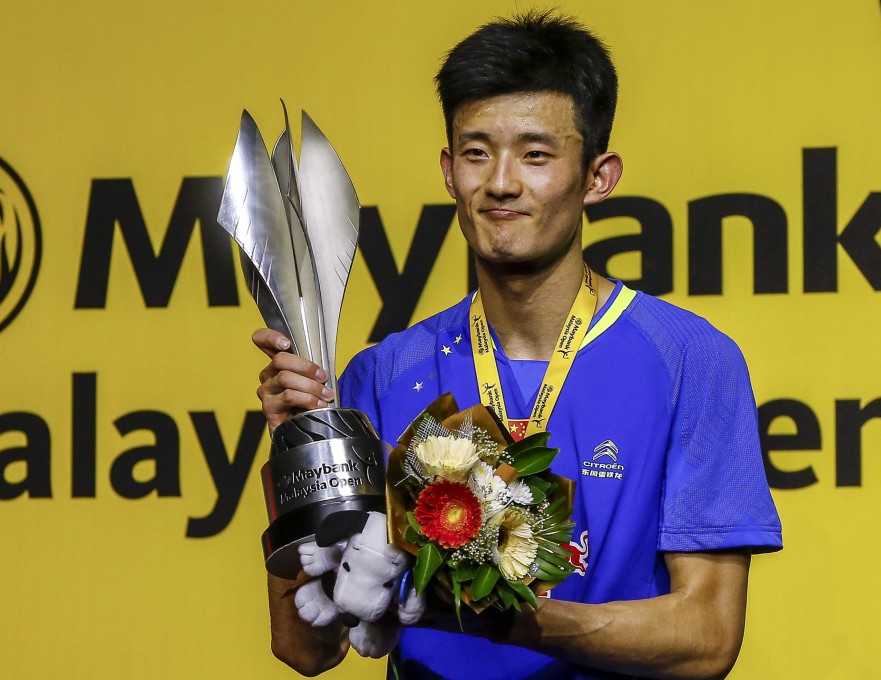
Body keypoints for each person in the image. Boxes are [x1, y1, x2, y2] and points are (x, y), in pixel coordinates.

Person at [254, 10, 782, 679]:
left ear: (599, 176)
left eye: (536, 155)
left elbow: (706, 637)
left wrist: (499, 612)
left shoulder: (688, 360)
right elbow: (307, 651)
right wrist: (297, 451)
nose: (501, 182)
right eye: (476, 152)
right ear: (448, 171)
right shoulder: (383, 374)